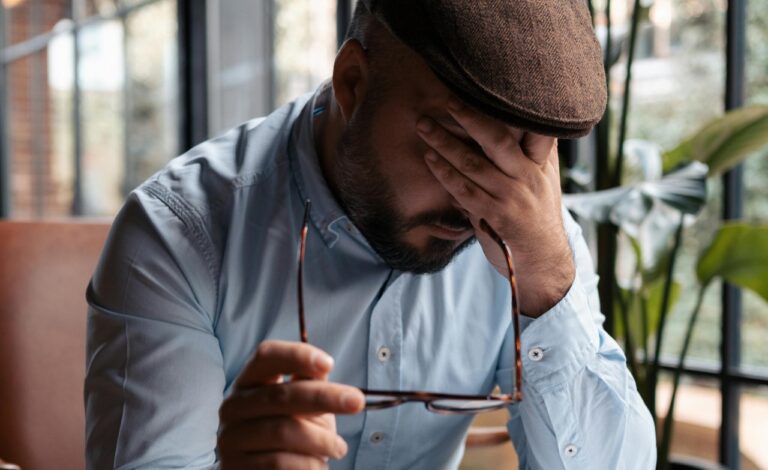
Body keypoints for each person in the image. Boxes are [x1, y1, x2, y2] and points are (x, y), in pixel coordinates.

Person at [84, 1, 656, 468]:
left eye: (510, 162)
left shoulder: (526, 231)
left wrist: (550, 283)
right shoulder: (179, 234)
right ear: (353, 81)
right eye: (451, 149)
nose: (474, 199)